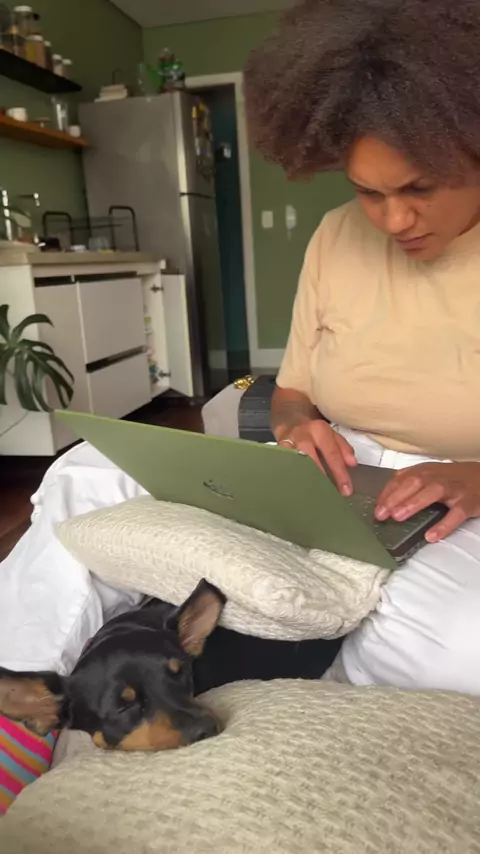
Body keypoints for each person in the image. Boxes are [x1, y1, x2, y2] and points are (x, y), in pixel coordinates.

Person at [244, 0, 480, 693]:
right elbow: (290, 394)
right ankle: (18, 701)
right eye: (369, 193)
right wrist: (296, 428)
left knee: (456, 654)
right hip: (343, 471)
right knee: (84, 478)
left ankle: (315, 721)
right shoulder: (334, 235)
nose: (395, 219)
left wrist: (474, 477)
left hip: (460, 497)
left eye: (419, 188)